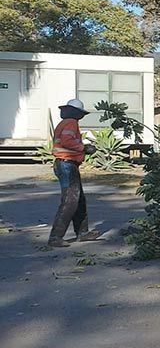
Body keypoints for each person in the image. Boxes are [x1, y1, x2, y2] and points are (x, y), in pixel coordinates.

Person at [48, 99, 101, 247]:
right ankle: (55, 237)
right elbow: (67, 141)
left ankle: (83, 233)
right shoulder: (71, 123)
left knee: (79, 200)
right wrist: (84, 148)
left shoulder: (64, 123)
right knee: (70, 200)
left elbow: (65, 141)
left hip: (66, 164)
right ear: (77, 113)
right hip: (67, 165)